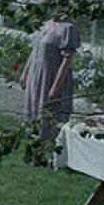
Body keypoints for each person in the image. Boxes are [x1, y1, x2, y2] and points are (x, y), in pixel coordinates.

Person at [21, 11, 81, 141]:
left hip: (51, 76)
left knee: (50, 112)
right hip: (36, 74)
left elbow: (67, 60)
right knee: (35, 109)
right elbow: (34, 50)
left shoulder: (68, 28)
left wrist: (55, 88)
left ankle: (50, 145)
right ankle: (36, 141)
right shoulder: (45, 24)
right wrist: (25, 72)